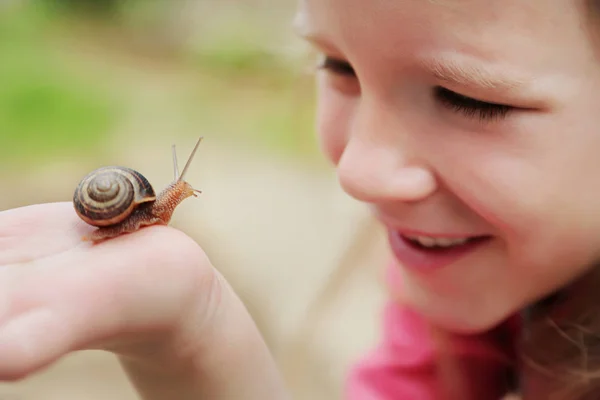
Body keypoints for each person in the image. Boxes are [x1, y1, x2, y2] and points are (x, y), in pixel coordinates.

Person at [2, 0, 600, 398]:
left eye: (469, 99)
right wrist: (194, 329)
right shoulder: (450, 322)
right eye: (337, 65)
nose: (359, 172)